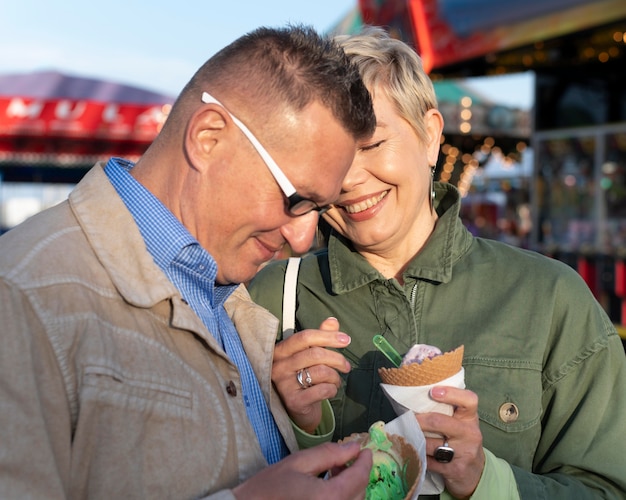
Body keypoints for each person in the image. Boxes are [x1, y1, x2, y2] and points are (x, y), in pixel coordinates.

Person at [0, 25, 378, 499]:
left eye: (318, 212)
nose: (302, 239)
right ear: (208, 137)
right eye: (296, 200)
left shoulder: (231, 298)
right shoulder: (24, 292)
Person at [248, 26, 626, 499]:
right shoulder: (264, 301)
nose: (349, 179)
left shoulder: (551, 298)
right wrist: (299, 428)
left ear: (430, 136)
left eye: (370, 145)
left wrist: (485, 481)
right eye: (332, 158)